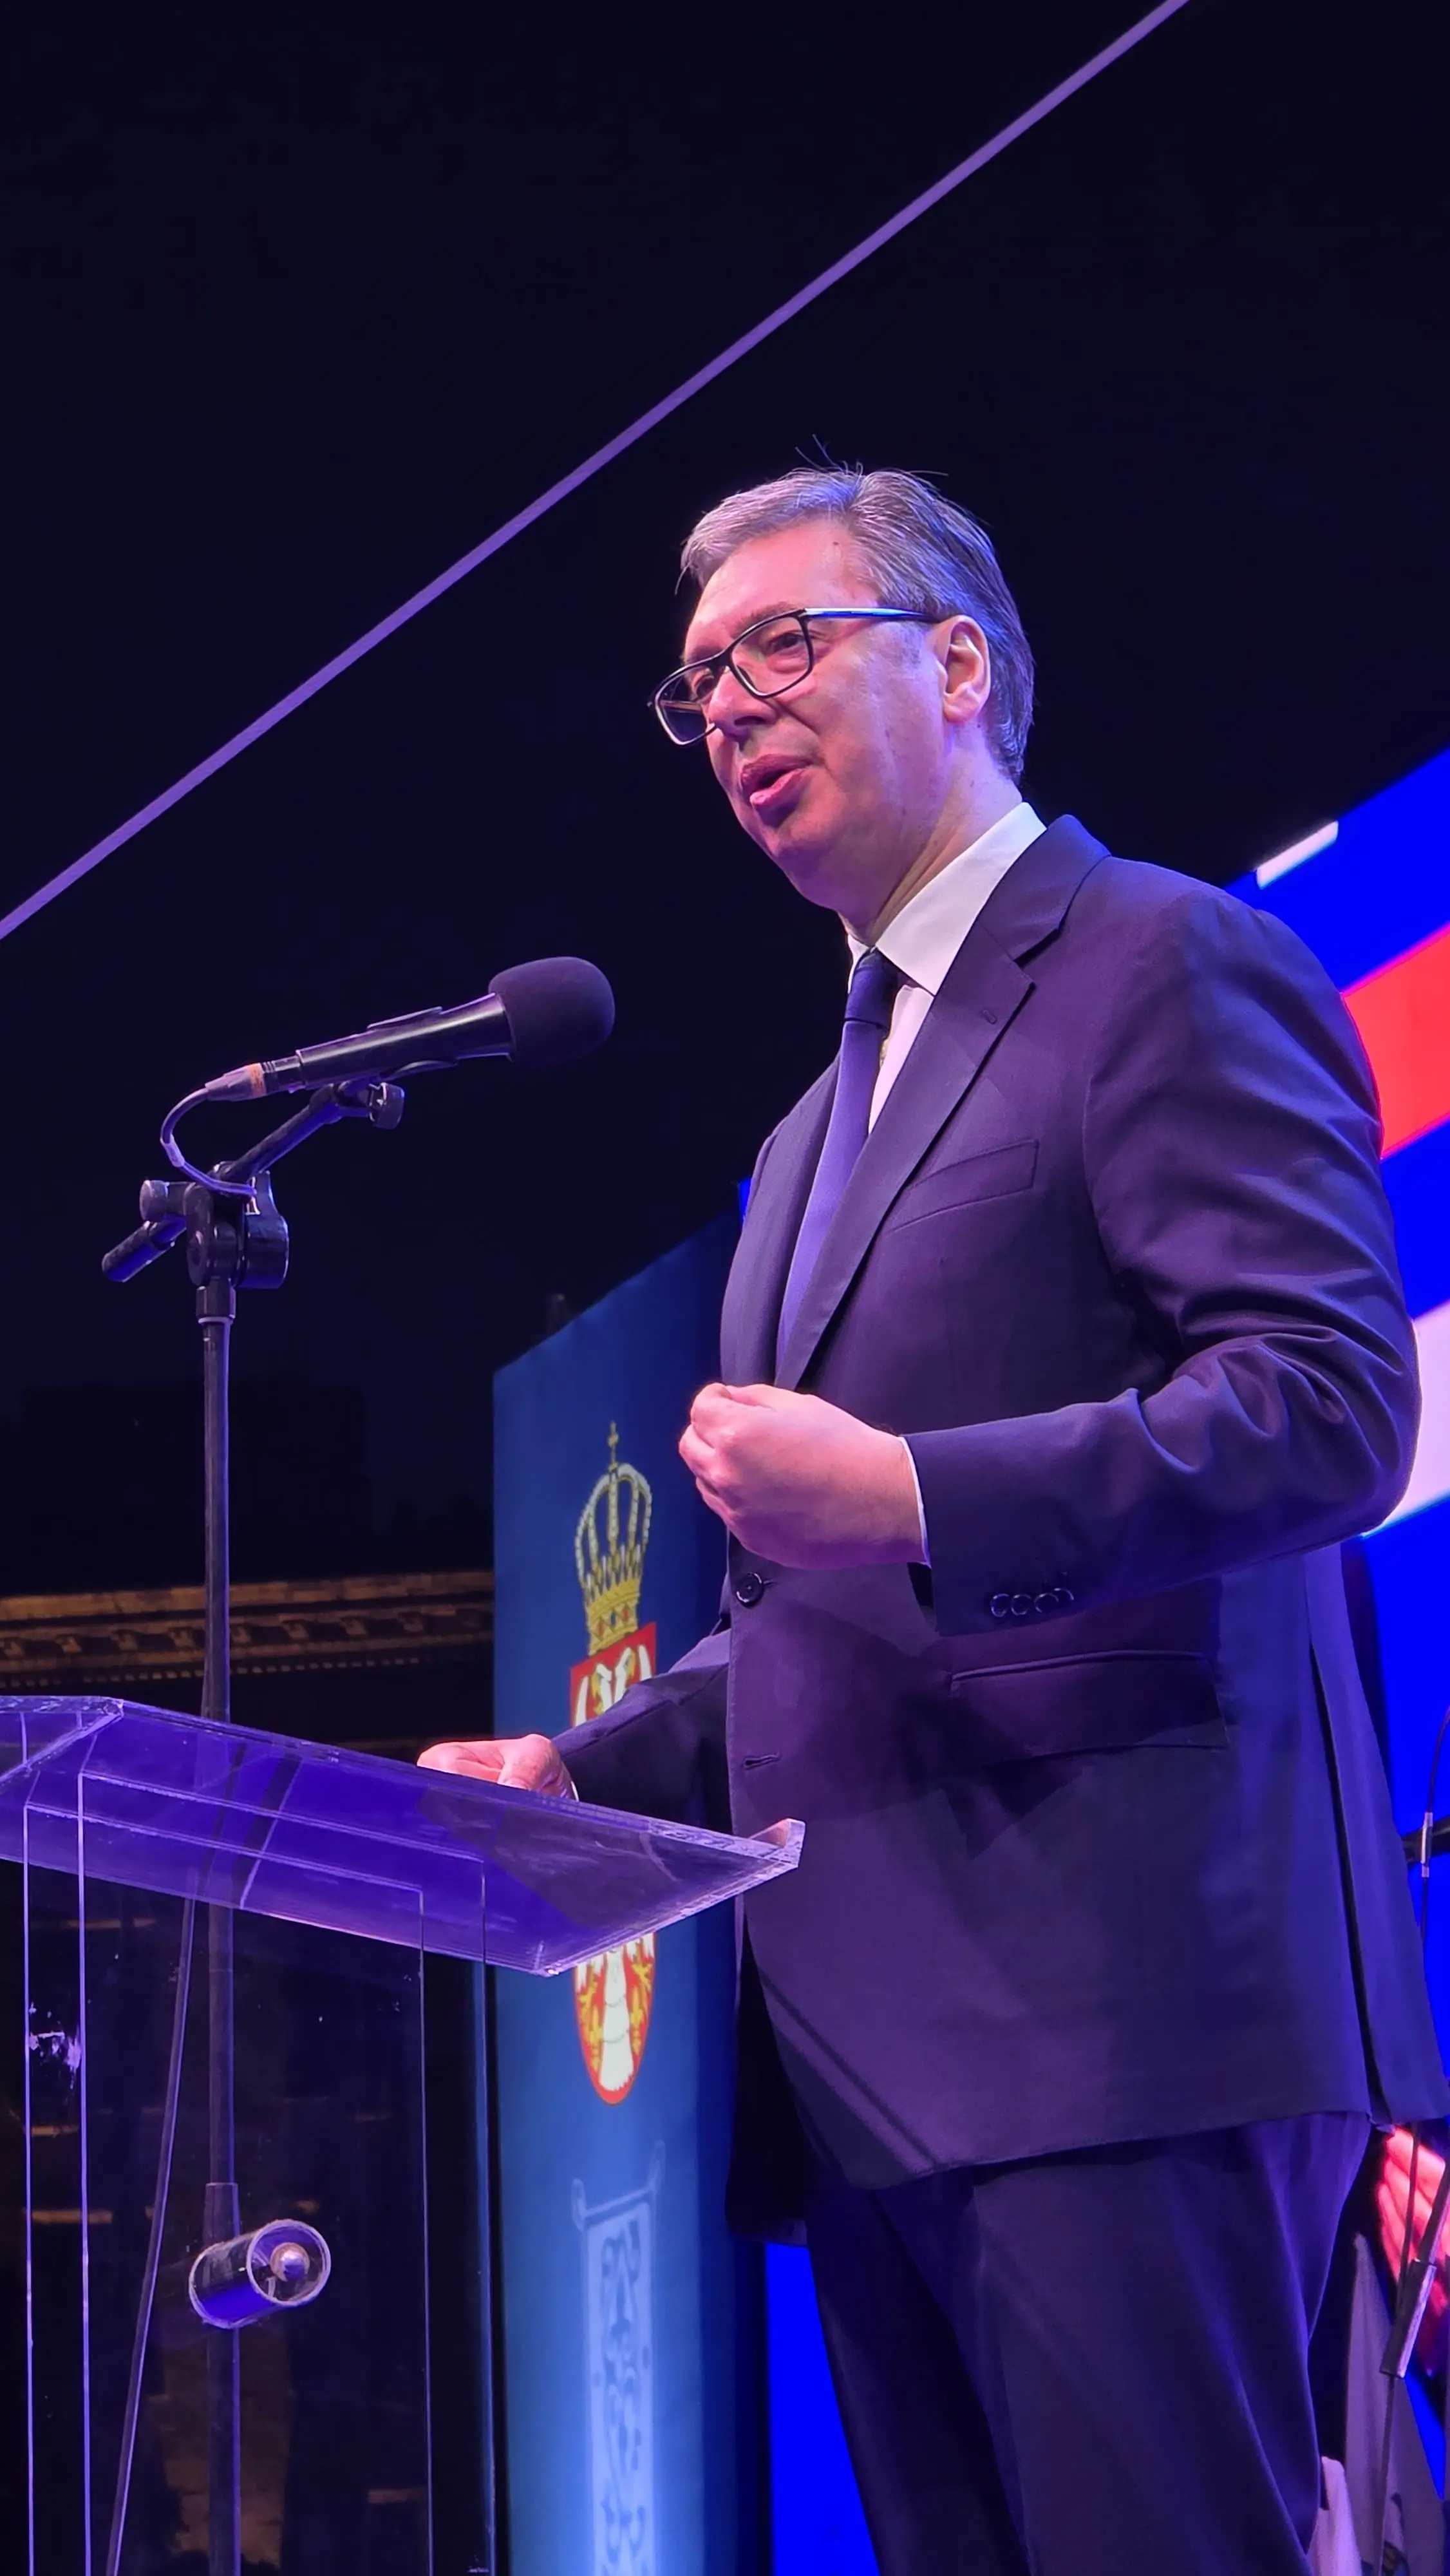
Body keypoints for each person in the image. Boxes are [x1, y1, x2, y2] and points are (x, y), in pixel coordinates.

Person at [421, 467, 1447, 2574]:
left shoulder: (1161, 959)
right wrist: (583, 1776)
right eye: (698, 682)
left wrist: (903, 1489)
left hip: (1128, 2014)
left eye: (783, 644)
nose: (730, 705)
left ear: (959, 664)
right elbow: (804, 1615)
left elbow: (1330, 1405)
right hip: (869, 2066)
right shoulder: (804, 1135)